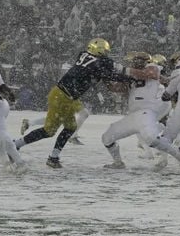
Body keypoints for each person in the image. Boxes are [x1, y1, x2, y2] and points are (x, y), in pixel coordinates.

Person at [15, 38, 153, 168]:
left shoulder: (85, 55)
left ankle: (53, 158)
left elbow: (100, 73)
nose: (106, 55)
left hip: (64, 95)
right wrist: (130, 77)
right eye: (104, 52)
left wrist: (113, 76)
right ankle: (18, 145)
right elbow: (112, 74)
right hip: (63, 96)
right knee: (49, 130)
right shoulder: (98, 63)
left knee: (68, 127)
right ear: (99, 50)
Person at [100, 51, 180, 170]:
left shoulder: (152, 67)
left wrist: (125, 70)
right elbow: (118, 88)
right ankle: (118, 162)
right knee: (107, 137)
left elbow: (150, 74)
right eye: (134, 61)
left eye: (137, 60)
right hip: (133, 115)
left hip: (146, 111)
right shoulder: (133, 76)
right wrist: (105, 79)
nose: (134, 63)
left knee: (151, 138)